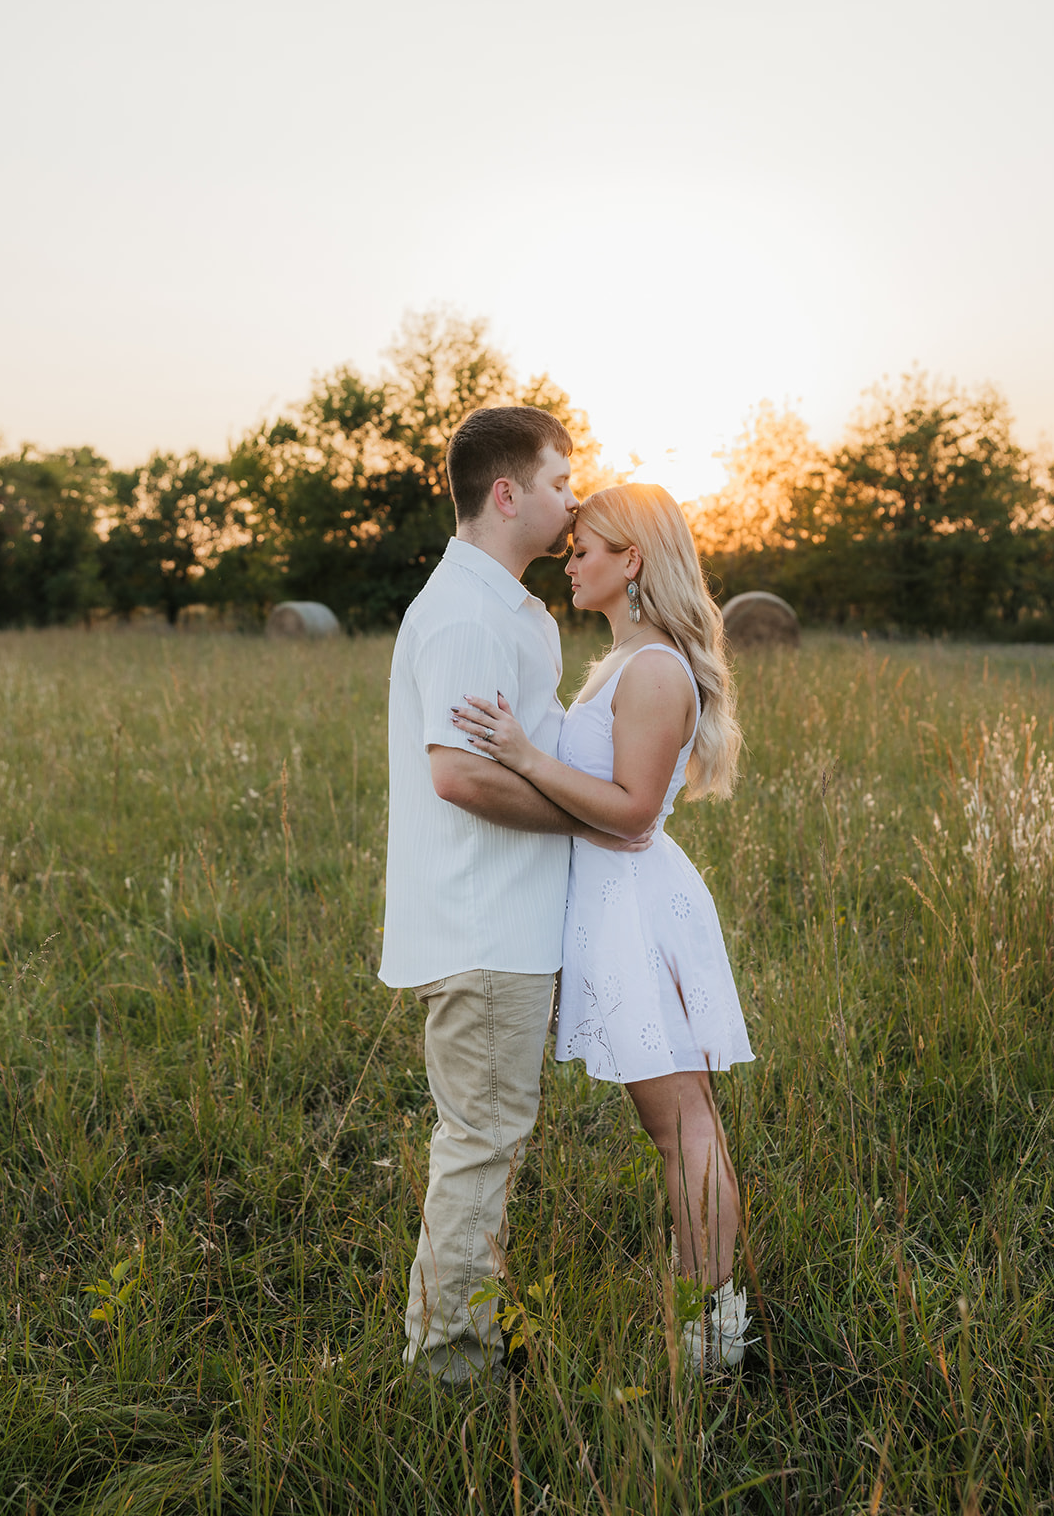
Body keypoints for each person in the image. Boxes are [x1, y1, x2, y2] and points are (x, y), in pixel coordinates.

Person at [451, 482, 757, 1373]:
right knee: (684, 1123)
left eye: (587, 547)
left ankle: (712, 1333)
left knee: (683, 1127)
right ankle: (710, 1312)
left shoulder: (656, 668)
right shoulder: (625, 662)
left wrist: (522, 755)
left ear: (632, 561)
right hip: (613, 905)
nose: (571, 558)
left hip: (635, 911)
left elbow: (630, 814)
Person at [379, 405, 642, 1387]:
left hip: (506, 924)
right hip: (480, 926)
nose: (572, 499)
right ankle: (451, 1364)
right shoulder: (460, 613)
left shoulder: (508, 608)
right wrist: (594, 818)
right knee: (480, 1143)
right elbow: (459, 774)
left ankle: (468, 1326)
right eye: (558, 481)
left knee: (487, 1139)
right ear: (505, 493)